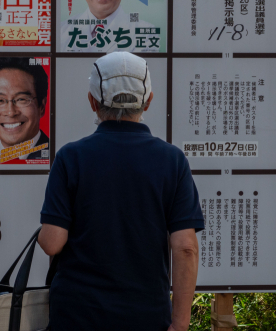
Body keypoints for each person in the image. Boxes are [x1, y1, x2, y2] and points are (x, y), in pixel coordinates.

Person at [39, 52, 204, 331]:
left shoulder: (71, 157)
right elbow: (186, 248)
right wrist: (180, 325)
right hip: (146, 316)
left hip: (77, 316)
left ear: (92, 102)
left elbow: (52, 243)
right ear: (148, 101)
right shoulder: (172, 160)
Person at [0, 57, 49, 162]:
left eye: (21, 99)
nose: (10, 112)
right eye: (0, 100)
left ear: (41, 107)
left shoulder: (61, 159)